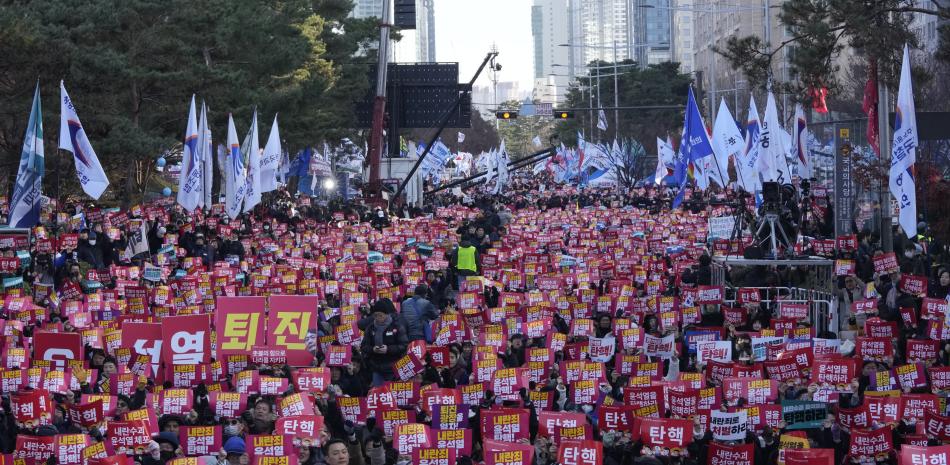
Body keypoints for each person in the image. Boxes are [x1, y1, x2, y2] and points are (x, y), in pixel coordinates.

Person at [360, 299, 408, 386]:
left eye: (380, 315)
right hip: (376, 367)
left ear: (386, 314)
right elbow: (363, 346)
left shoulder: (396, 326)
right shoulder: (370, 328)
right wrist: (373, 349)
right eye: (376, 315)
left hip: (393, 367)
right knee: (379, 393)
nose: (378, 318)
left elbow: (404, 345)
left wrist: (388, 349)